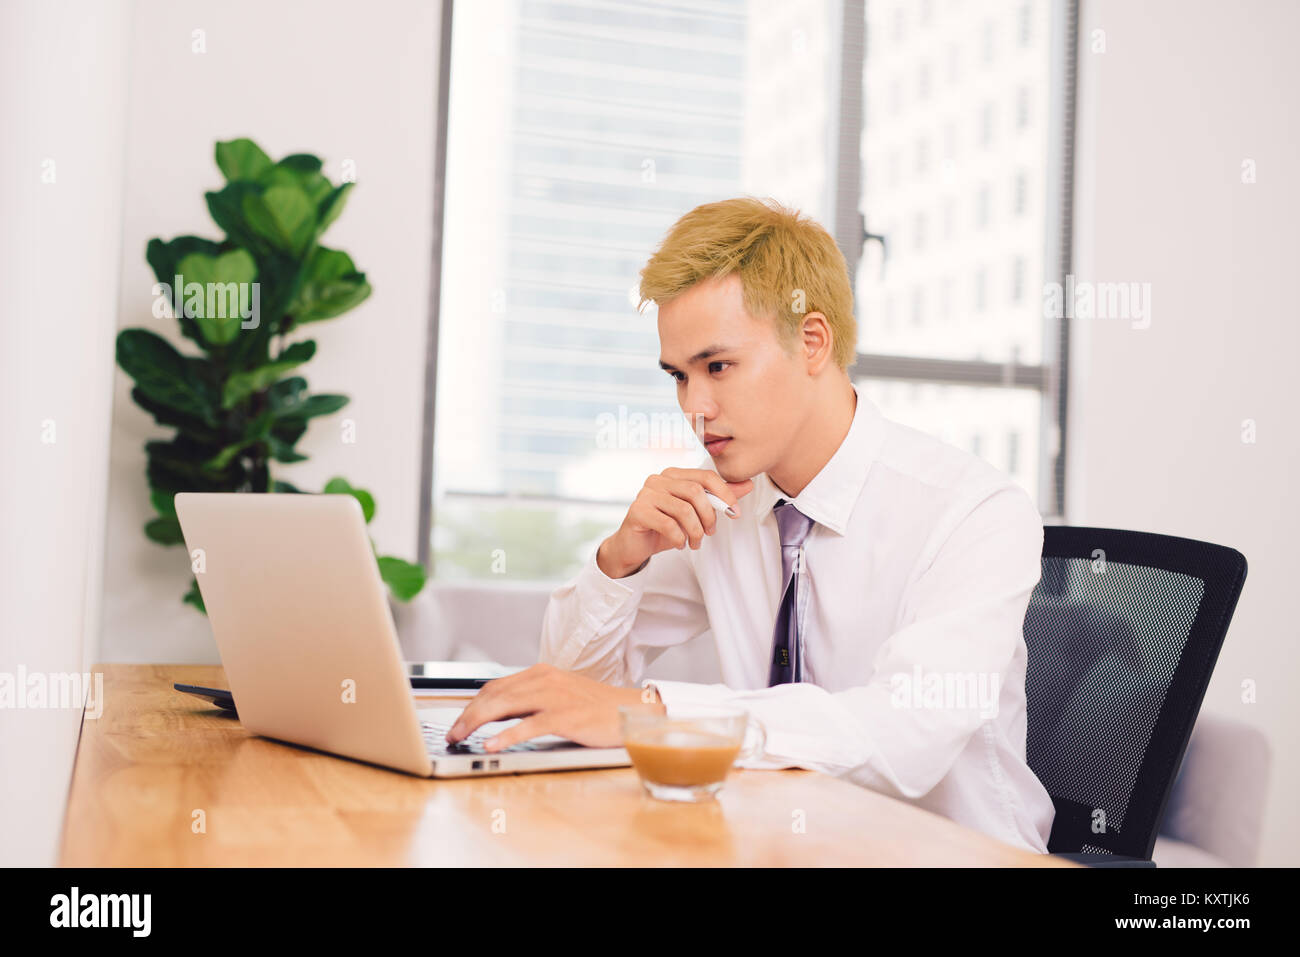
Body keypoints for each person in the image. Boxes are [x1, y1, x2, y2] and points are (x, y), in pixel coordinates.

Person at [446, 197, 1055, 854]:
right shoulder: (730, 504)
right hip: (782, 843)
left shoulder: (974, 511)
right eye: (679, 376)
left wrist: (655, 716)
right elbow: (570, 688)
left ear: (812, 341)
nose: (695, 408)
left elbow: (905, 731)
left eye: (718, 366)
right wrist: (620, 561)